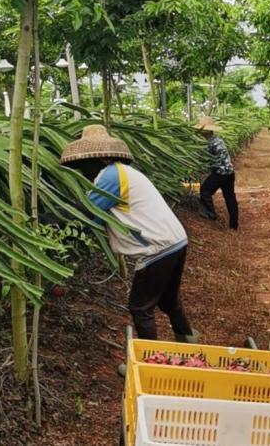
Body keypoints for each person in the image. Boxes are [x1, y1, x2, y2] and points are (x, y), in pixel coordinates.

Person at [60, 124, 198, 347]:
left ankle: (150, 363)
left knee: (140, 307)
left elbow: (86, 214)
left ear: (100, 159)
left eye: (84, 164)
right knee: (169, 300)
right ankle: (189, 346)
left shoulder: (110, 177)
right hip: (176, 240)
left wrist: (57, 234)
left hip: (158, 247)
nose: (82, 171)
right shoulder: (124, 172)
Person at [196, 116, 239, 230]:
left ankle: (211, 213)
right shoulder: (218, 139)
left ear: (205, 131)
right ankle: (234, 226)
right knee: (230, 197)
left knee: (205, 190)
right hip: (229, 172)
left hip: (220, 173)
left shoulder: (209, 143)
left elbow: (202, 158)